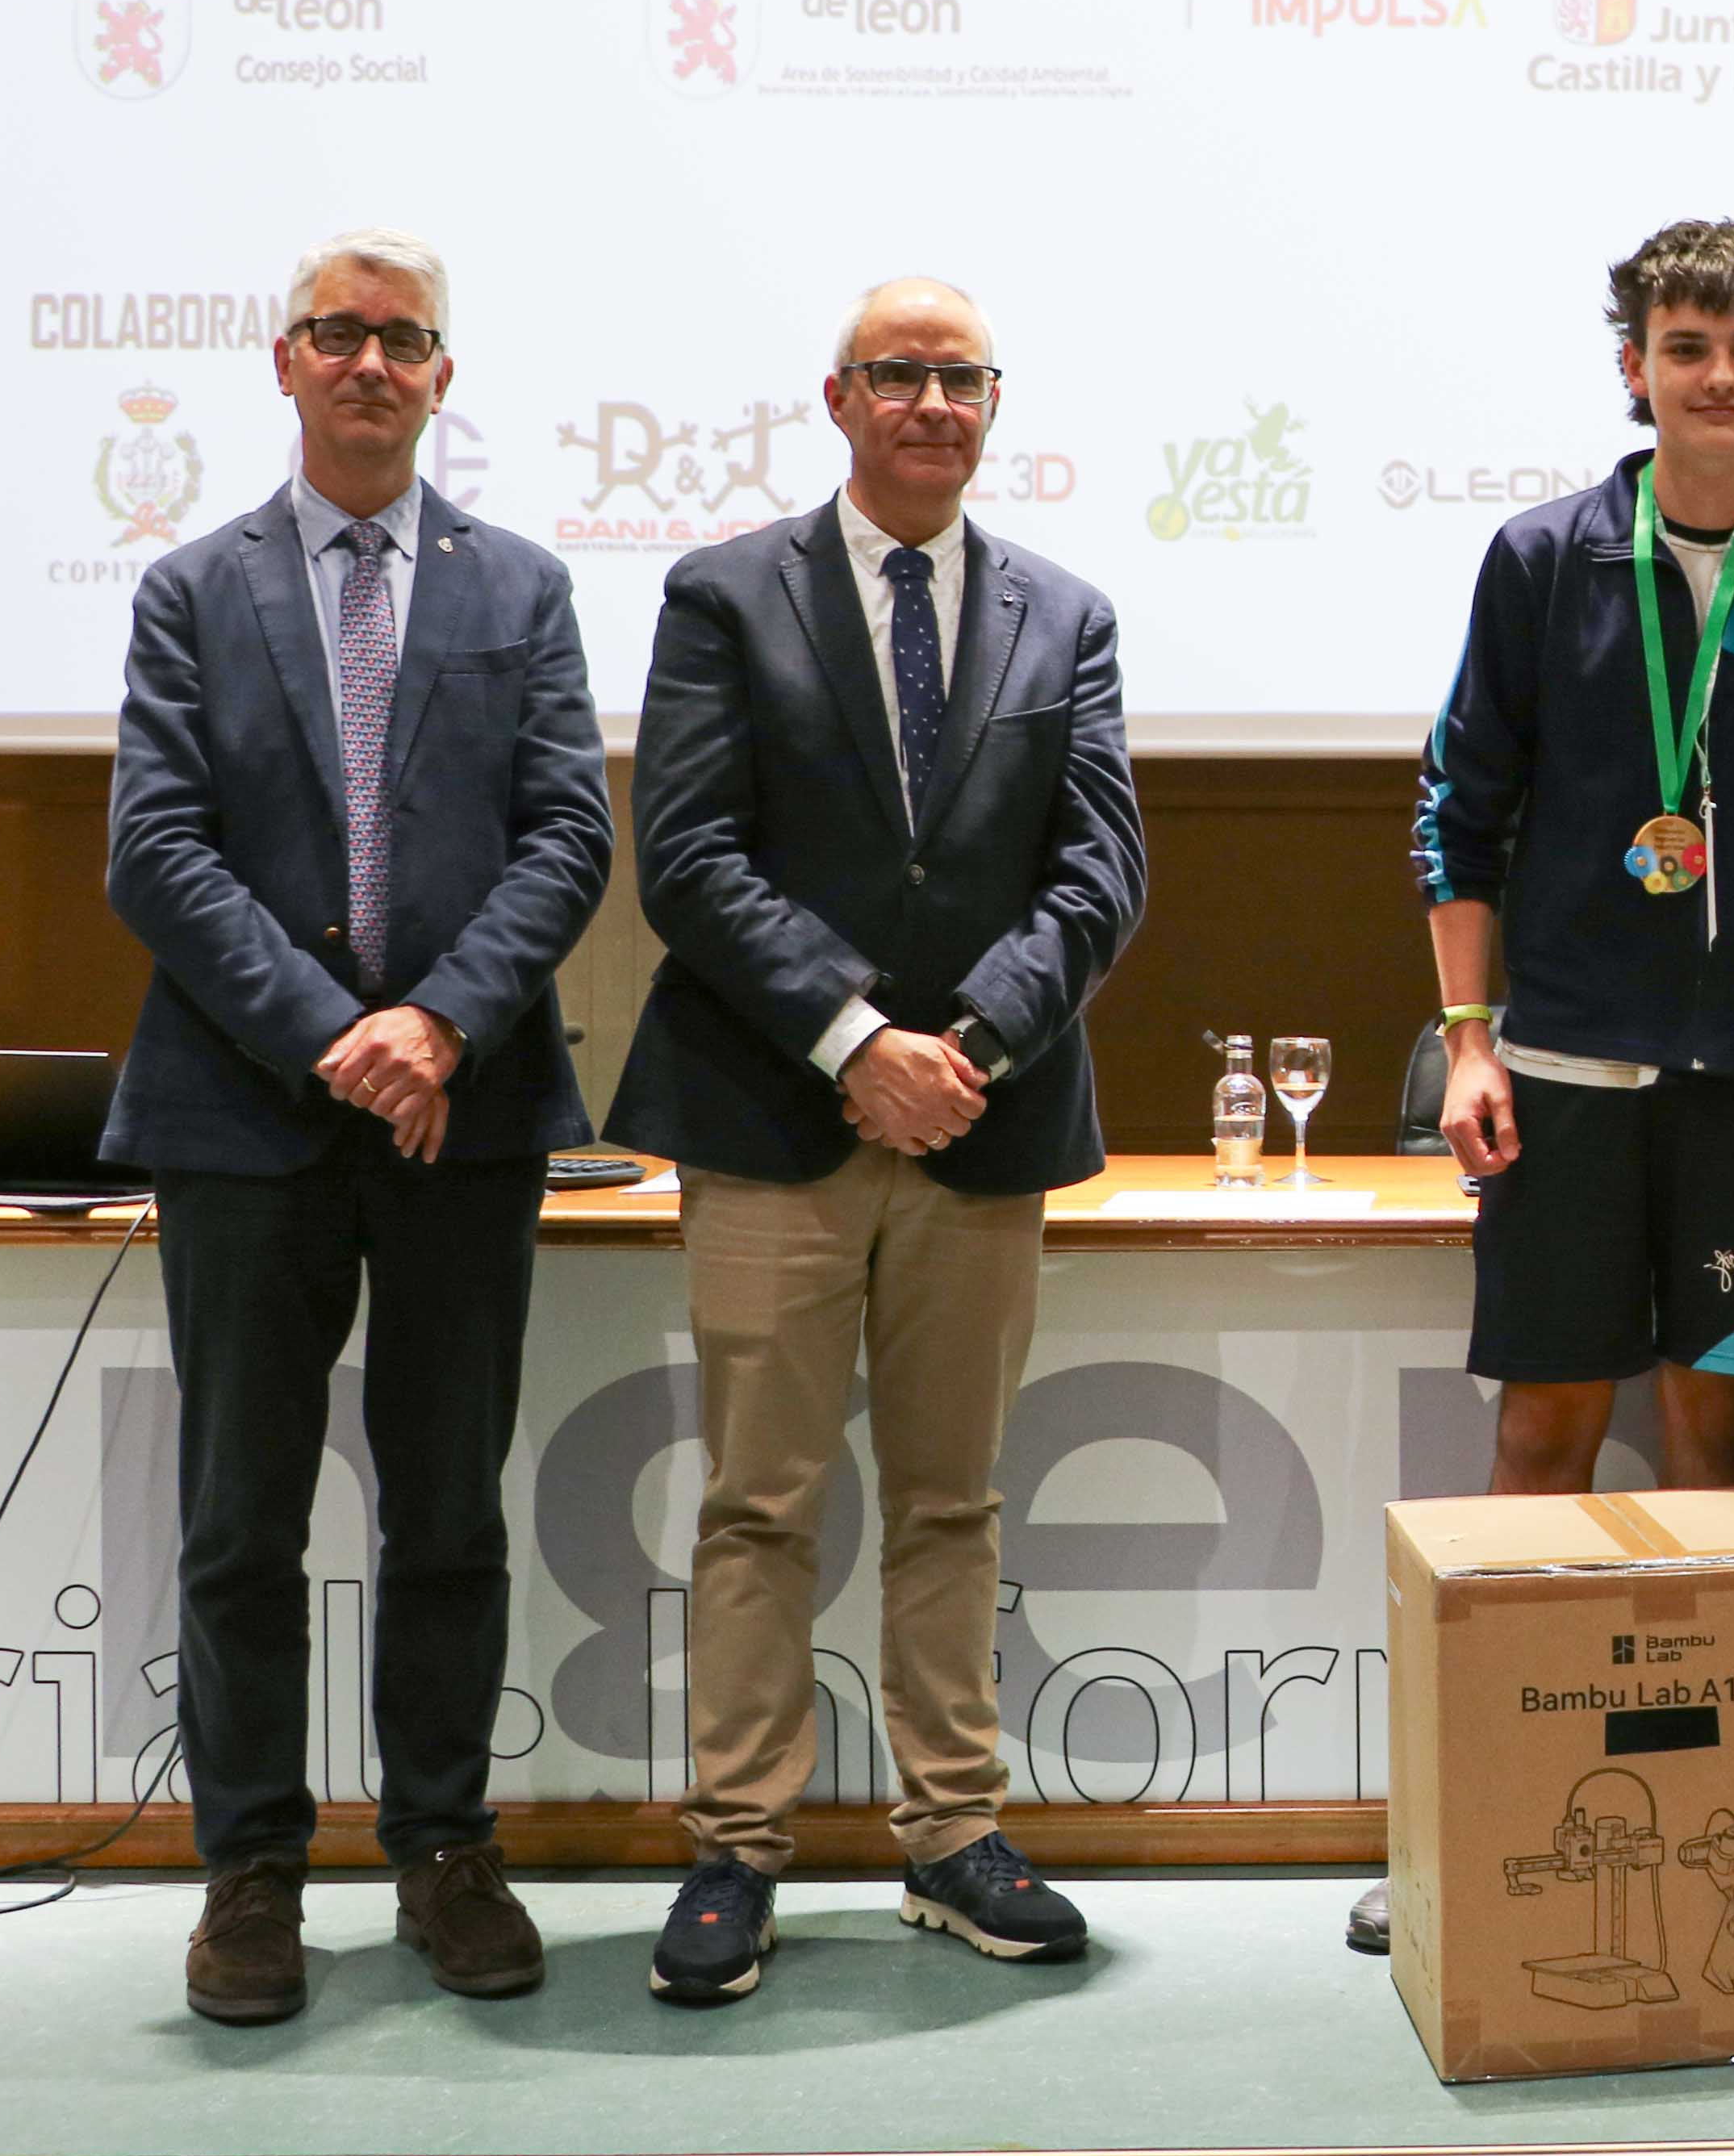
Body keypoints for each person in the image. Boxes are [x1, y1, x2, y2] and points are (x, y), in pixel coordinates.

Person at [608, 275, 1147, 2007]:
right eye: (897, 374)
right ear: (837, 398)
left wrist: (963, 1045)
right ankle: (737, 1845)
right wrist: (856, 1038)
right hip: (775, 1112)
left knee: (954, 1499)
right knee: (760, 1501)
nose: (930, 400)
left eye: (960, 376)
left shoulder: (1067, 614)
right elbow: (686, 854)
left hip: (983, 1119)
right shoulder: (724, 593)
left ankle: (952, 1834)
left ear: (996, 404)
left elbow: (1101, 870)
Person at [98, 229, 612, 2026]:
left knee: (449, 1506)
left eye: (405, 338)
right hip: (248, 1117)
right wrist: (338, 1033)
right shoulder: (191, 586)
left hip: (459, 1117)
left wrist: (438, 1019)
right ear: (285, 358)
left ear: (443, 375)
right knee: (241, 1516)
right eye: (342, 332)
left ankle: (444, 1847)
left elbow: (569, 838)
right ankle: (248, 1870)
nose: (373, 362)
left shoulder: (523, 587)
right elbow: (155, 849)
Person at [1373, 221, 1734, 1958]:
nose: (1720, 374)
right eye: (1688, 343)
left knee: (1720, 1442)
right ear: (1635, 365)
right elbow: (1463, 804)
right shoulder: (1542, 560)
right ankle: (1485, 1810)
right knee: (1540, 1429)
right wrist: (1466, 1039)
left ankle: (1711, 1813)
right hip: (1567, 1071)